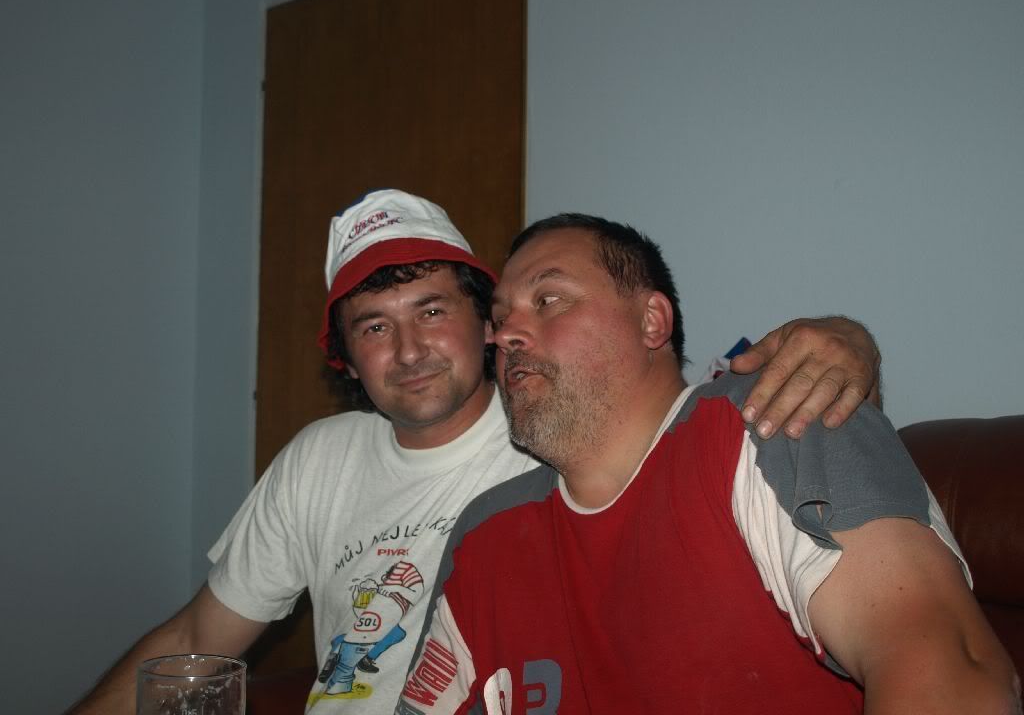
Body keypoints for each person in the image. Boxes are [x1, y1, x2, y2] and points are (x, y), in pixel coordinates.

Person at [68, 191, 884, 715]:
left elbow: (684, 408)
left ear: (486, 325)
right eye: (375, 327)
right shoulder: (318, 461)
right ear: (346, 360)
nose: (409, 350)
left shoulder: (557, 429)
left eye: (433, 311)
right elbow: (194, 641)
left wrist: (847, 344)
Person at [398, 214, 1020, 714]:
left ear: (651, 320)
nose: (506, 334)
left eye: (549, 299)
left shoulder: (776, 417)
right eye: (500, 318)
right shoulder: (485, 533)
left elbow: (944, 670)